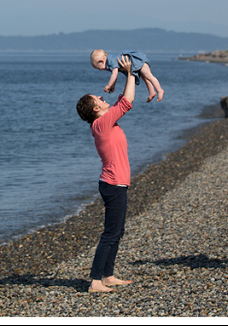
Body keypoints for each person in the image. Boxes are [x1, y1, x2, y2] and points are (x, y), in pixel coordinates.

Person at [76, 55, 136, 292]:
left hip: (118, 184)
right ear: (95, 109)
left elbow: (123, 99)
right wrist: (130, 73)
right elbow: (127, 101)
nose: (102, 97)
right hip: (113, 185)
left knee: (117, 231)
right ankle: (95, 281)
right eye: (98, 98)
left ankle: (108, 276)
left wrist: (124, 75)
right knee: (111, 233)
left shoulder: (105, 123)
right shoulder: (101, 124)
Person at [90, 49, 164, 102]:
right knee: (145, 77)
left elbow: (114, 75)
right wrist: (113, 86)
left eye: (98, 68)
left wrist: (109, 85)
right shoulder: (110, 63)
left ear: (101, 61)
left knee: (149, 76)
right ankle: (151, 92)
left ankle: (159, 90)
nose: (100, 70)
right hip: (137, 61)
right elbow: (115, 76)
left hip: (138, 60)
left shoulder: (111, 61)